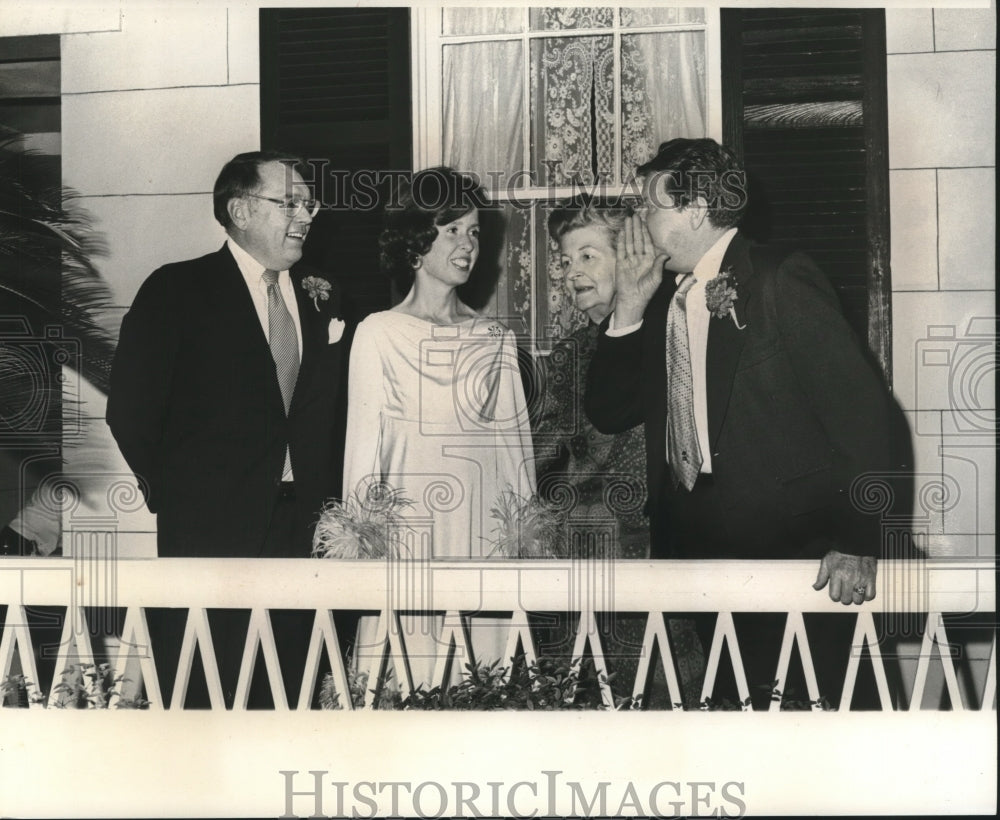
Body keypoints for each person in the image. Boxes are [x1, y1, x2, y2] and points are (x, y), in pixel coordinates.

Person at [585, 139, 893, 704]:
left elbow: (867, 419)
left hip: (801, 557)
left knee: (822, 721)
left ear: (696, 209)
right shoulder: (661, 301)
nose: (638, 220)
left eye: (648, 206)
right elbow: (609, 410)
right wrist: (627, 307)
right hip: (699, 554)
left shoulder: (778, 279)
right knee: (740, 719)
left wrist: (855, 539)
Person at [341, 167, 536, 691]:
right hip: (408, 536)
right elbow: (364, 452)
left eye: (474, 232)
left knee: (484, 682)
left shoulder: (494, 338)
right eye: (452, 230)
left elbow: (515, 454)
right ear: (414, 241)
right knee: (407, 681)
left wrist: (522, 549)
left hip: (481, 537)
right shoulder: (378, 333)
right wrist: (361, 551)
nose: (468, 244)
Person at [108, 150, 347, 559]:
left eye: (310, 205)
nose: (306, 217)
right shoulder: (176, 290)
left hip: (310, 532)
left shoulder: (325, 293)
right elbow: (131, 411)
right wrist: (179, 497)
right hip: (210, 532)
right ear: (240, 210)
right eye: (289, 203)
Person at [533, 199, 704, 708]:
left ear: (631, 258)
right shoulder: (571, 353)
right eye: (565, 261)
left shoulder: (678, 337)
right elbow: (546, 467)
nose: (571, 273)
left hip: (658, 577)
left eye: (588, 256)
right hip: (577, 576)